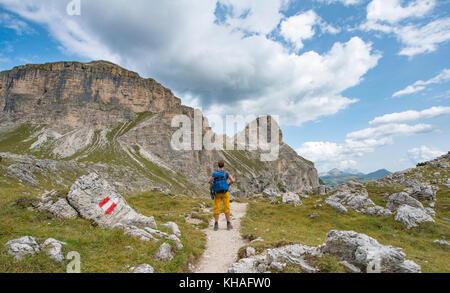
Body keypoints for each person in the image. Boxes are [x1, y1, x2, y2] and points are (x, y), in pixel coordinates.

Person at [208, 159, 235, 231]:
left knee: (217, 208)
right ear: (223, 165)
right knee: (226, 207)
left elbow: (209, 181)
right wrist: (228, 184)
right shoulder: (226, 172)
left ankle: (216, 225)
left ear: (218, 165)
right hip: (225, 192)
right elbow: (232, 180)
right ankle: (228, 224)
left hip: (217, 193)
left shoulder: (214, 173)